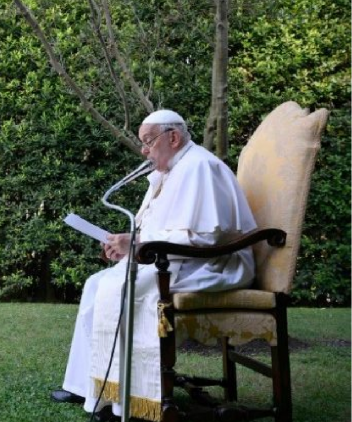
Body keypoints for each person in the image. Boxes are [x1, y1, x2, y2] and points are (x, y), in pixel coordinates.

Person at [51, 110, 256, 421]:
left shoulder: (199, 166)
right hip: (176, 260)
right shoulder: (169, 171)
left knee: (125, 290)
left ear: (172, 137)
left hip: (215, 264)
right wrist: (127, 247)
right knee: (97, 284)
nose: (144, 150)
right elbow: (154, 230)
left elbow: (205, 237)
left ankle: (131, 400)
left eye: (148, 141)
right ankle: (89, 386)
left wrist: (137, 245)